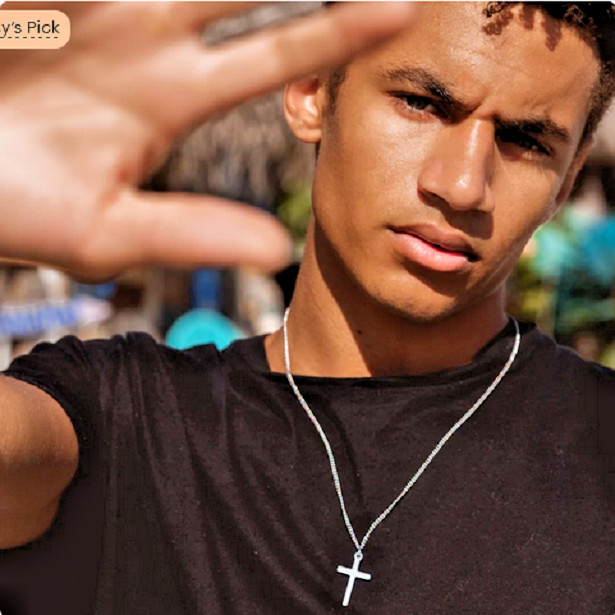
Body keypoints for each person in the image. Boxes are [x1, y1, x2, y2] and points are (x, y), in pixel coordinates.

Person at [1, 2, 614, 614]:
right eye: (421, 103)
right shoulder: (125, 420)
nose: (461, 187)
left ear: (566, 181)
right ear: (312, 92)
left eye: (526, 140)